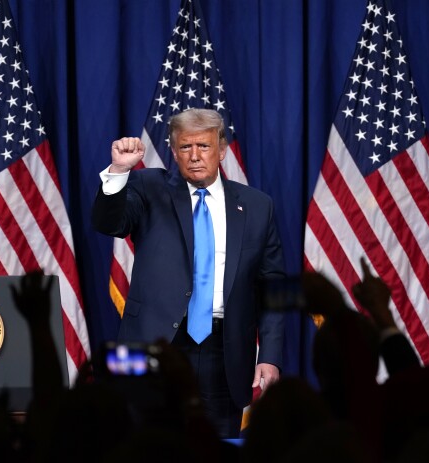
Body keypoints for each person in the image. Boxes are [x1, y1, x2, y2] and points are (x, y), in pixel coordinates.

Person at [92, 108, 285, 438]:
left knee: (215, 453)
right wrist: (119, 171)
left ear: (221, 149)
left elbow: (272, 287)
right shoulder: (148, 186)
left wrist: (269, 355)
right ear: (173, 150)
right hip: (153, 345)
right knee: (146, 447)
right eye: (185, 147)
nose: (195, 156)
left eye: (204, 146)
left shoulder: (257, 205)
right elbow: (110, 223)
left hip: (224, 351)